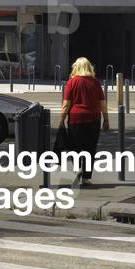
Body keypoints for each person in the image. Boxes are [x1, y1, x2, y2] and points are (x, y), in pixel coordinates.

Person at [58, 56, 109, 187]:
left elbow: (66, 104)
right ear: (89, 68)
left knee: (74, 147)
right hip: (94, 119)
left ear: (76, 67)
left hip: (76, 119)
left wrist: (61, 120)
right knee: (90, 148)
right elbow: (102, 103)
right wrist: (106, 119)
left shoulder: (72, 82)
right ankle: (86, 178)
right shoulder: (95, 82)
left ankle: (77, 169)